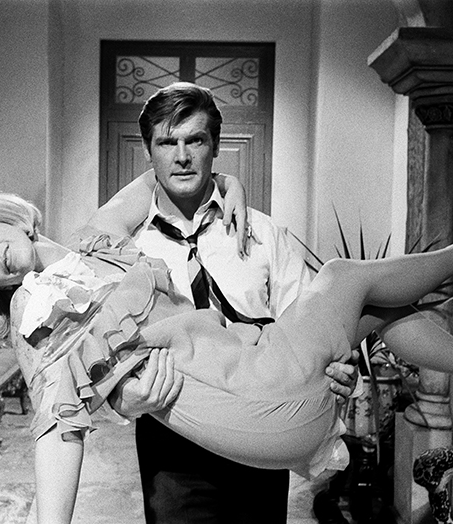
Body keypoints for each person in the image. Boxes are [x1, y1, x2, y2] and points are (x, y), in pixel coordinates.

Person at [0, 192, 453, 524]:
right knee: (344, 276)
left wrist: (226, 183)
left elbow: (146, 183)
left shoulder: (92, 249)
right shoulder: (40, 314)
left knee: (378, 308)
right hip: (256, 398)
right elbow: (55, 432)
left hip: (260, 375)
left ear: (3, 218)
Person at [113, 82, 318, 524]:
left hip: (262, 431)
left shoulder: (264, 234)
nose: (182, 156)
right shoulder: (126, 248)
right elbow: (107, 346)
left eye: (195, 140)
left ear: (216, 146)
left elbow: (306, 325)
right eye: (166, 143)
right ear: (148, 152)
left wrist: (331, 368)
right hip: (173, 440)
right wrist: (120, 397)